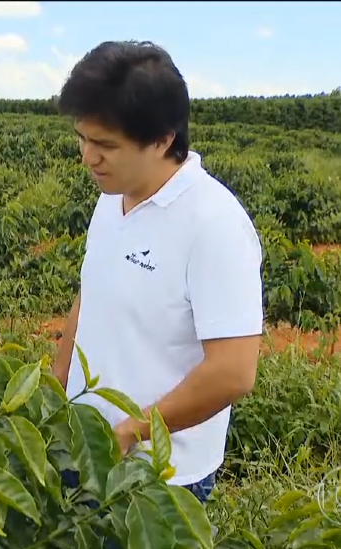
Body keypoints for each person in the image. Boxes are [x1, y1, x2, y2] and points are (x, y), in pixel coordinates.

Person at [52, 41, 263, 507]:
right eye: (82, 139)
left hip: (159, 477)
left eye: (105, 145)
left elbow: (233, 372)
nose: (88, 157)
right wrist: (54, 385)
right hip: (82, 445)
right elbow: (92, 293)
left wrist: (130, 431)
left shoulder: (214, 224)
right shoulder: (111, 198)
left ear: (163, 139)